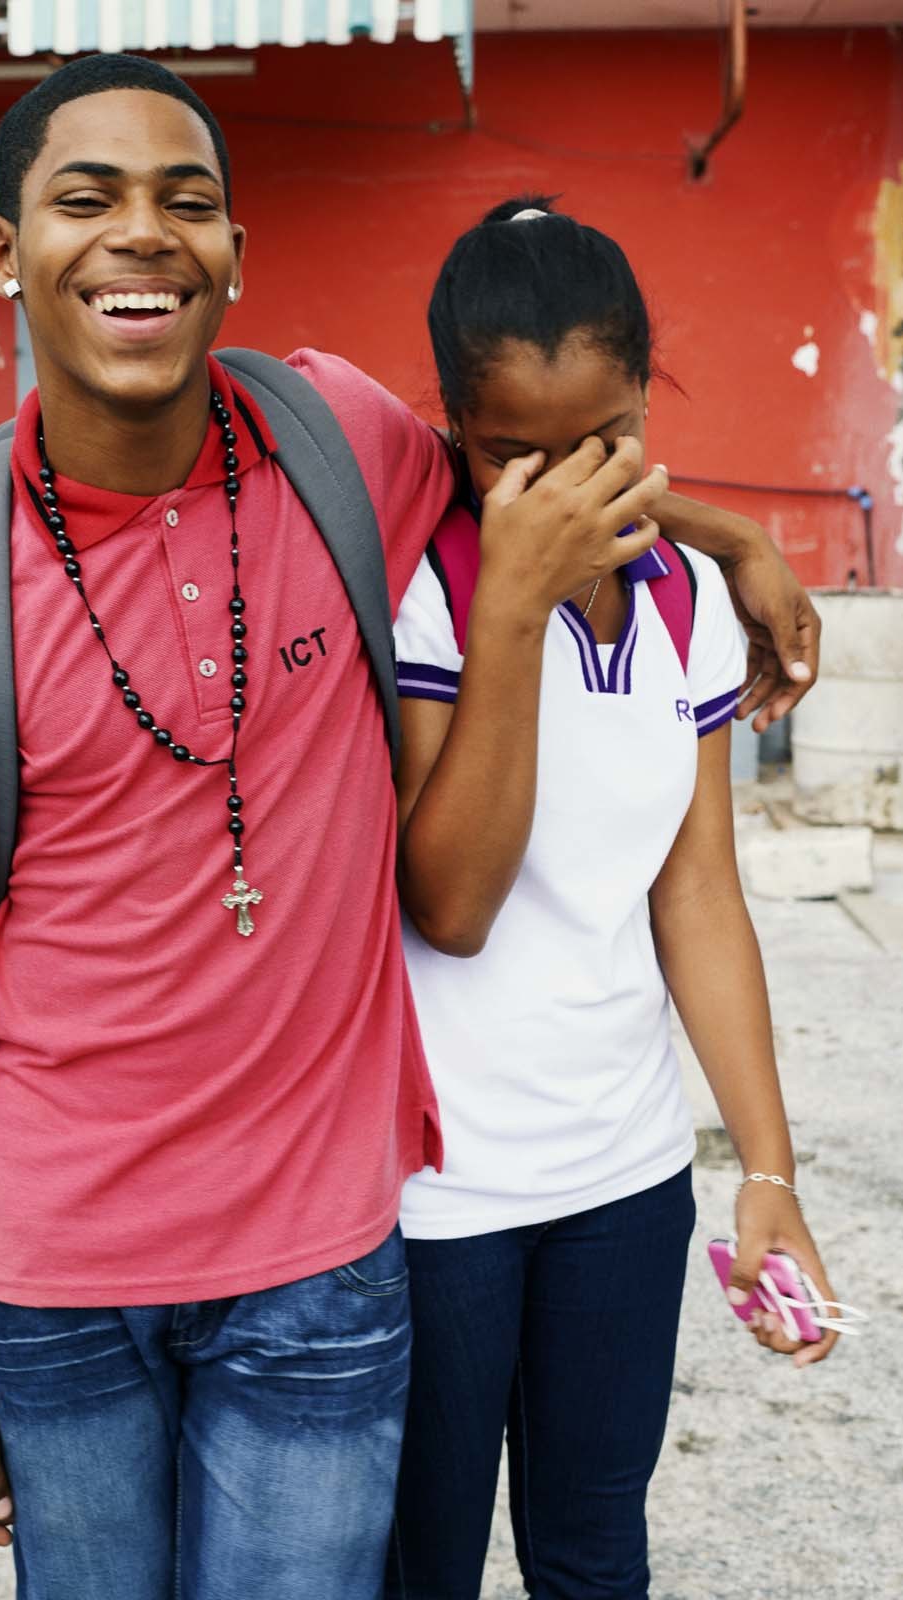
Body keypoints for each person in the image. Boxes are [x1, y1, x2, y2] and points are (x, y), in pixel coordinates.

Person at [0, 58, 819, 1600]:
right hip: (58, 1270)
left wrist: (729, 533)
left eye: (184, 201)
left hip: (321, 1256)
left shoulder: (334, 443)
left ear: (237, 252)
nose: (138, 232)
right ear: (0, 251)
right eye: (86, 199)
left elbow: (531, 478)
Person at [385, 198, 839, 1600]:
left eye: (604, 445)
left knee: (595, 1559)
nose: (568, 492)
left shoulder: (687, 599)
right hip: (433, 1204)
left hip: (624, 1182)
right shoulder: (421, 592)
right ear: (452, 432)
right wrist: (515, 607)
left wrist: (766, 1172)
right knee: (418, 1567)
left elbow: (697, 894)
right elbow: (450, 906)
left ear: (646, 401)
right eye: (512, 457)